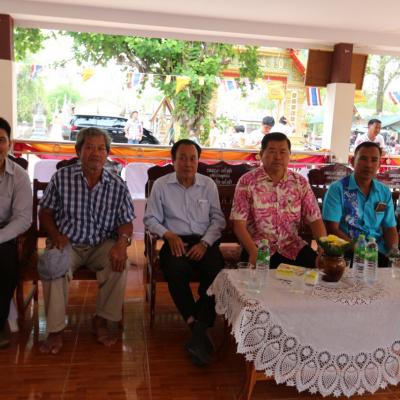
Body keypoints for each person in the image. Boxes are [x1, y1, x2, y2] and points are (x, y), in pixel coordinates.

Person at [39, 127, 135, 354]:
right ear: (78, 151)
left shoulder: (117, 185)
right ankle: (55, 330)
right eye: (89, 147)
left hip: (101, 244)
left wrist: (122, 243)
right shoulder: (62, 178)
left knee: (120, 263)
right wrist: (56, 236)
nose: (95, 153)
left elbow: (126, 221)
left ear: (107, 154)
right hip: (68, 242)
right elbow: (46, 212)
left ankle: (101, 320)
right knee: (52, 263)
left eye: (101, 148)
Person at [143, 139, 226, 367]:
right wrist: (168, 235)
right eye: (182, 158)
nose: (188, 163)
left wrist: (205, 243)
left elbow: (218, 220)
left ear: (198, 161)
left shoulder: (208, 185)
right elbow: (150, 219)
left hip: (203, 242)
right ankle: (199, 326)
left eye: (192, 158)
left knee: (216, 273)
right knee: (174, 270)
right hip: (175, 240)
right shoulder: (161, 185)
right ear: (173, 160)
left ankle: (196, 328)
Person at [231, 132, 326, 268]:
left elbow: (315, 219)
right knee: (254, 279)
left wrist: (323, 248)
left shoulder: (300, 182)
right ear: (261, 154)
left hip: (292, 247)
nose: (278, 157)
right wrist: (253, 251)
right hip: (258, 247)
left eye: (283, 152)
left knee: (318, 272)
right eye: (272, 152)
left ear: (289, 155)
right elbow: (238, 224)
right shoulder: (247, 182)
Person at [323, 141, 398, 267]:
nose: (368, 165)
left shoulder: (384, 192)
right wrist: (362, 252)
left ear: (379, 164)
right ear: (353, 161)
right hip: (346, 252)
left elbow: (390, 228)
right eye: (363, 159)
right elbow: (332, 229)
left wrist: (394, 254)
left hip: (378, 251)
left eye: (374, 160)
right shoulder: (337, 189)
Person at [0, 117, 32, 348]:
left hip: (5, 233)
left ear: (9, 144)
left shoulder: (19, 175)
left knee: (5, 263)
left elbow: (23, 219)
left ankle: (0, 320)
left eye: (1, 140)